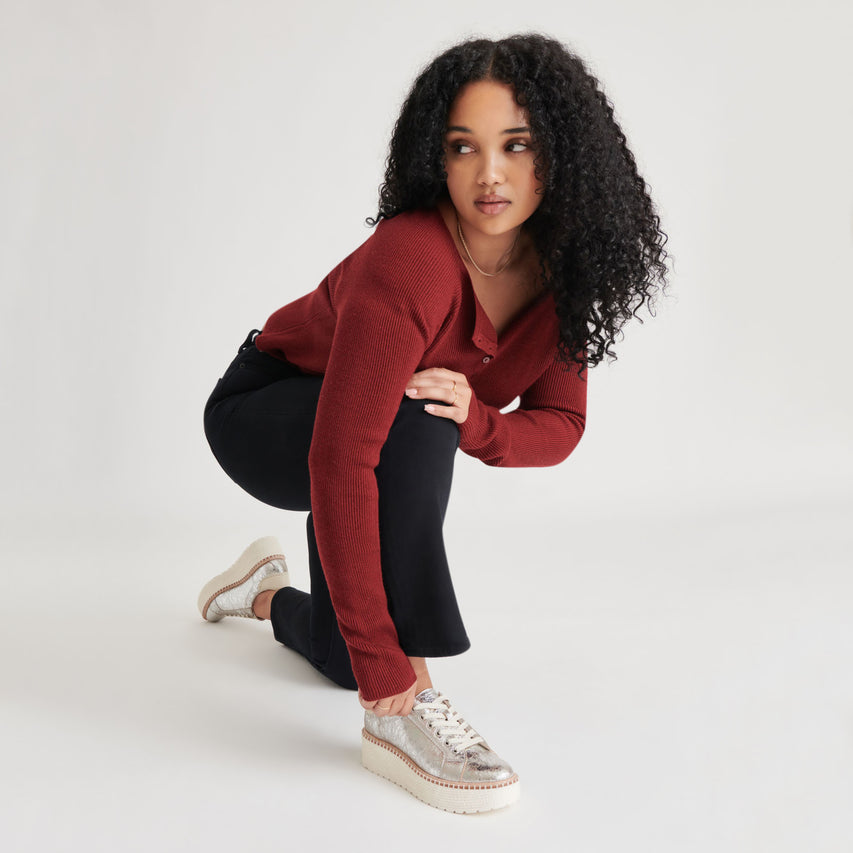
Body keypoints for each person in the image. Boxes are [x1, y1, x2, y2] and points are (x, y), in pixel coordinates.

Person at [198, 32, 669, 814]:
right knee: (417, 418)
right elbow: (340, 459)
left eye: (515, 144)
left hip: (369, 441)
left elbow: (559, 422)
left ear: (559, 152)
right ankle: (408, 705)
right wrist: (389, 675)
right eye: (462, 147)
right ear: (435, 158)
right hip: (266, 413)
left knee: (343, 656)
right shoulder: (412, 256)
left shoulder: (565, 268)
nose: (489, 175)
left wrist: (480, 422)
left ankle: (261, 590)